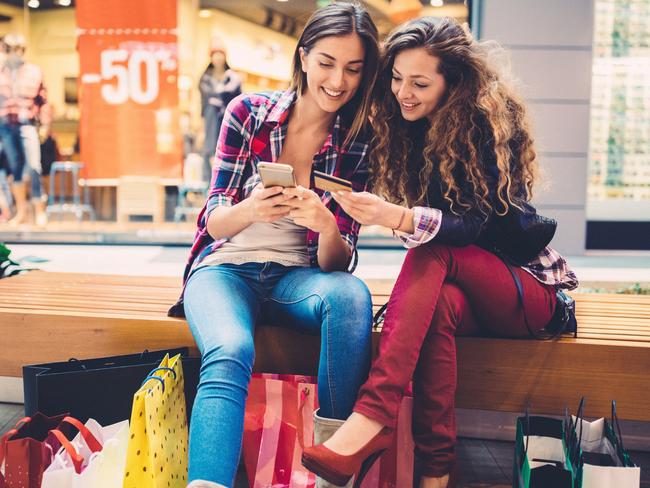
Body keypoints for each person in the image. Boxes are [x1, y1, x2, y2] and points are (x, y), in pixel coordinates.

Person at [301, 17, 579, 488]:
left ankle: (371, 418)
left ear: (453, 82)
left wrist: (396, 217)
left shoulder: (483, 127)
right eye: (395, 77)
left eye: (419, 82)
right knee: (436, 309)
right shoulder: (410, 131)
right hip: (469, 298)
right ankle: (435, 474)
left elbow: (470, 229)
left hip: (530, 294)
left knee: (432, 256)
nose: (402, 92)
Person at [168, 3, 380, 487]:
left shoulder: (359, 142)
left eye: (353, 68)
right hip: (225, 270)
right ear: (303, 57)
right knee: (230, 347)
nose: (337, 80)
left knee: (352, 297)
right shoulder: (248, 113)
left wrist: (328, 225)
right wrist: (253, 209)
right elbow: (215, 222)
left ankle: (332, 470)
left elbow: (338, 262)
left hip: (296, 278)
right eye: (327, 62)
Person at [0, 33, 50, 227]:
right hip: (5, 125)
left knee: (34, 165)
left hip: (27, 124)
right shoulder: (1, 72)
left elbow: (43, 101)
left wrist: (44, 124)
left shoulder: (33, 72)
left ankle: (39, 210)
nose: (14, 53)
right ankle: (21, 211)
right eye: (9, 49)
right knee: (16, 168)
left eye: (17, 49)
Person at [198, 39, 242, 184]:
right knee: (209, 150)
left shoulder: (233, 78)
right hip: (211, 121)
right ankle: (208, 183)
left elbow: (238, 100)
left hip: (228, 119)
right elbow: (204, 104)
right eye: (215, 54)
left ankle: (226, 181)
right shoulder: (205, 79)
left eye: (220, 54)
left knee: (228, 149)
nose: (217, 57)